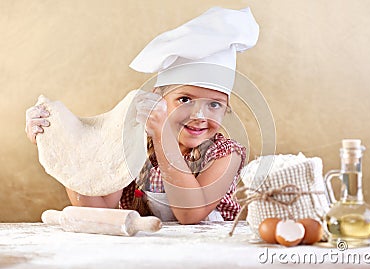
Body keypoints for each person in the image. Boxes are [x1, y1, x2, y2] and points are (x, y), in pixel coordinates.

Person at [25, 7, 259, 224]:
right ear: (157, 98)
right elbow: (97, 209)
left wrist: (163, 136)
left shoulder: (225, 154)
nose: (199, 115)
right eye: (185, 99)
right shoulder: (133, 145)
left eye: (215, 105)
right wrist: (62, 143)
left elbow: (191, 214)